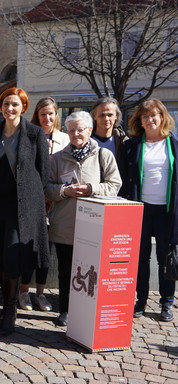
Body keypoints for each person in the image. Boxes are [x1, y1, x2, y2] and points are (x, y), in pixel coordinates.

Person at [0, 87, 50, 337]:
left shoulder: (35, 134)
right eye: (6, 104)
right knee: (1, 258)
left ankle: (11, 313)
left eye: (15, 104)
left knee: (12, 256)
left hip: (23, 208)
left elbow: (42, 173)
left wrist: (39, 209)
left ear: (23, 107)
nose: (10, 109)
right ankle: (5, 310)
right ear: (1, 106)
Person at [45, 111, 122, 327]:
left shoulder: (103, 155)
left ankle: (89, 310)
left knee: (92, 271)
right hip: (65, 224)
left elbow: (115, 185)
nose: (76, 134)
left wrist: (90, 189)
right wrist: (64, 191)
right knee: (66, 270)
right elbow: (48, 189)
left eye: (80, 129)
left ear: (89, 130)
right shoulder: (57, 158)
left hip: (95, 225)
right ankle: (65, 310)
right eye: (71, 130)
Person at [118, 99, 178, 322]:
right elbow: (124, 178)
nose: (150, 119)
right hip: (139, 209)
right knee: (140, 258)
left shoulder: (174, 144)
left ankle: (166, 303)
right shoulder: (132, 145)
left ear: (162, 117)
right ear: (139, 121)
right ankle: (140, 301)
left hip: (166, 211)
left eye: (154, 115)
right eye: (145, 116)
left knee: (165, 258)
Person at [19, 97, 71, 312]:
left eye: (51, 113)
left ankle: (40, 294)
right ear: (36, 115)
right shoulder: (28, 135)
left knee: (46, 252)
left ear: (56, 114)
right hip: (33, 201)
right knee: (29, 249)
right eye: (43, 114)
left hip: (56, 202)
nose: (47, 118)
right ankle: (24, 292)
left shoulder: (65, 139)